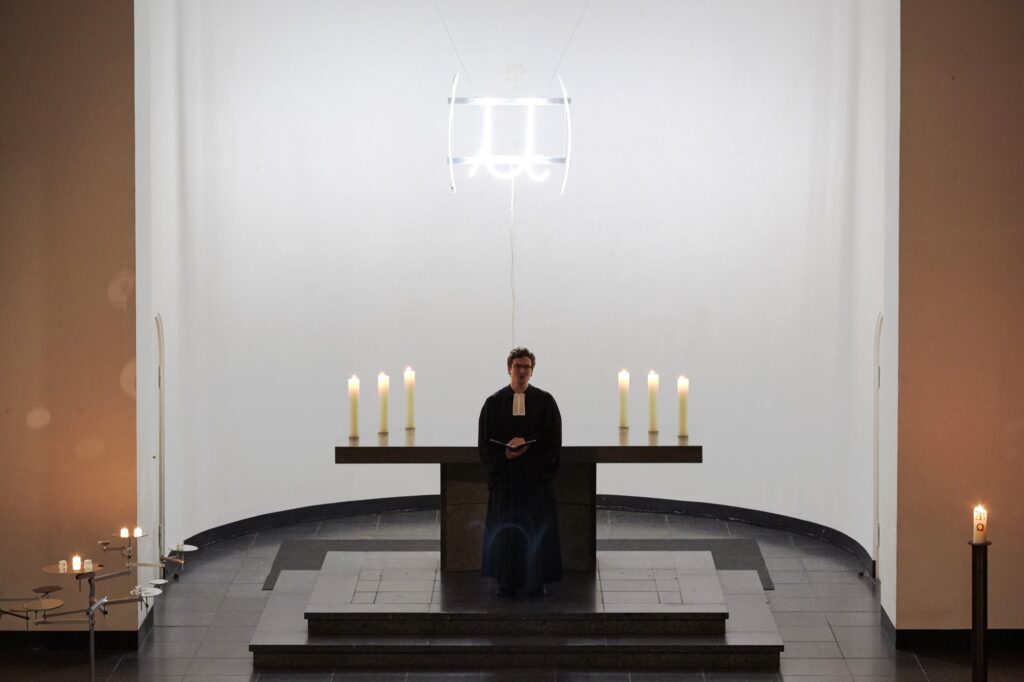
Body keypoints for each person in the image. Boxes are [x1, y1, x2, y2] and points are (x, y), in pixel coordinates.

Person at [478, 347, 562, 597]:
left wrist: (528, 444)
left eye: (526, 367)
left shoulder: (545, 402)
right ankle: (507, 583)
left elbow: (553, 440)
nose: (522, 371)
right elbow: (485, 443)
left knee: (536, 532)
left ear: (532, 371)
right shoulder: (494, 403)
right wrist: (505, 454)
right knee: (507, 533)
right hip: (506, 482)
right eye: (517, 366)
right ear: (509, 369)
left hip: (534, 481)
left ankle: (536, 582)